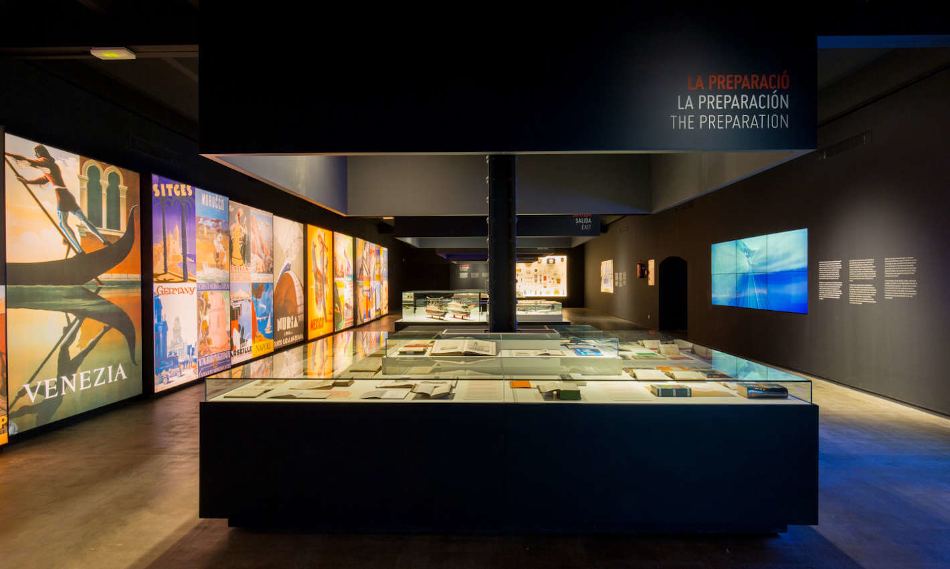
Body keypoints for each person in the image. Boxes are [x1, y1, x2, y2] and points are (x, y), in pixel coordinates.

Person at [5, 144, 108, 254]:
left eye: (36, 153)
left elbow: (28, 161)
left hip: (62, 197)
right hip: (68, 196)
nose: (35, 155)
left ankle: (79, 251)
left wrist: (8, 154)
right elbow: (44, 179)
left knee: (63, 224)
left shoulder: (44, 162)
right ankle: (104, 240)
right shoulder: (52, 165)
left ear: (41, 153)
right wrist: (27, 181)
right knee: (84, 220)